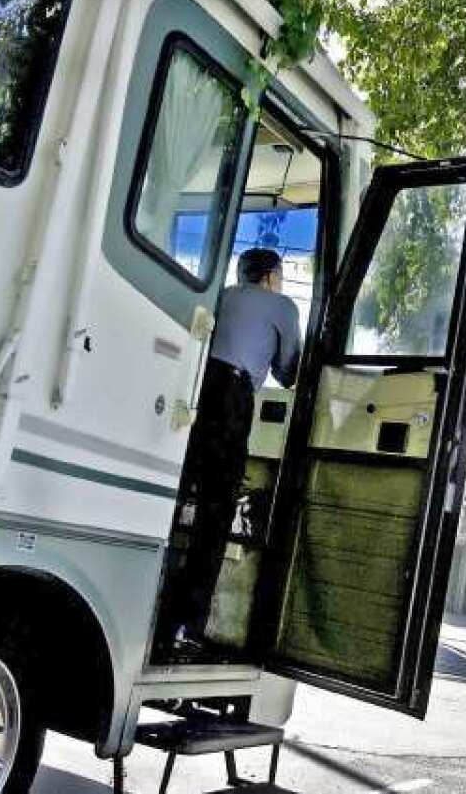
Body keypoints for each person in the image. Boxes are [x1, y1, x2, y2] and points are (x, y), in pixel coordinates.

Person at [173, 247, 302, 653]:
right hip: (232, 395)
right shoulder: (282, 305)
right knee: (216, 512)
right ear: (270, 277)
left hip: (193, 389)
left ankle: (156, 604)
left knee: (175, 498)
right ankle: (187, 627)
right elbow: (289, 371)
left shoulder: (220, 295)